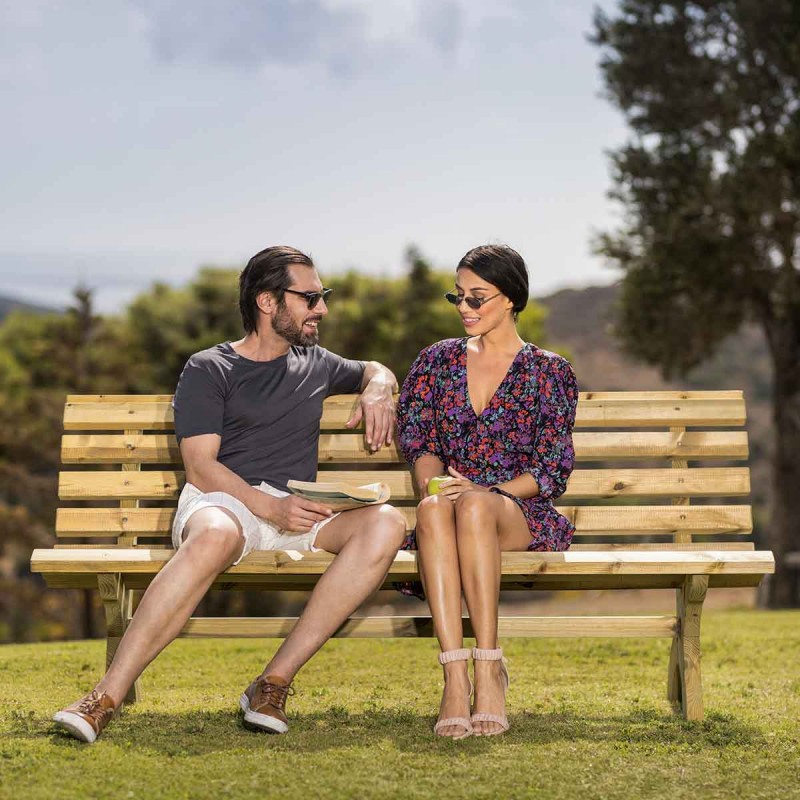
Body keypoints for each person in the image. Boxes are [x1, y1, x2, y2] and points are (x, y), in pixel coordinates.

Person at [54, 245, 406, 743]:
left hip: (296, 511)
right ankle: (105, 697)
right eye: (310, 297)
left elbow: (373, 366)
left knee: (387, 521)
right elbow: (201, 467)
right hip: (225, 502)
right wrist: (271, 508)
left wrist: (378, 386)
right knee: (216, 536)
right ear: (268, 303)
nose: (322, 308)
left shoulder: (318, 363)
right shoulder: (209, 367)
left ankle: (273, 681)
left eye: (322, 296)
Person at [396, 244, 578, 740]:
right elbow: (420, 442)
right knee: (433, 508)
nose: (466, 308)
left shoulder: (548, 370)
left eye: (478, 297)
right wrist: (438, 486)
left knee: (473, 504)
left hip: (517, 509)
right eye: (458, 297)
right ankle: (454, 678)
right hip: (451, 507)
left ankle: (487, 670)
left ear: (512, 299)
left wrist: (482, 489)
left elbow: (549, 471)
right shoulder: (436, 361)